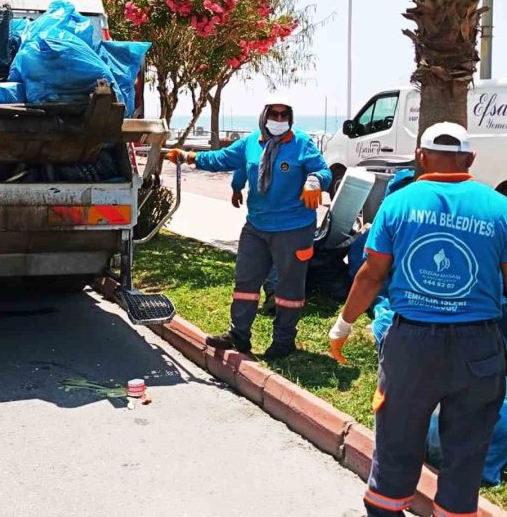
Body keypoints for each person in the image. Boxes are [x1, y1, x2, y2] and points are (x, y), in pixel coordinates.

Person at [329, 122, 507, 517]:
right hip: (477, 349)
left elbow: (371, 275)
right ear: (471, 158)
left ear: (421, 157)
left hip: (411, 347)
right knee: (465, 455)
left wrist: (343, 325)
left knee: (396, 443)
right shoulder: (500, 208)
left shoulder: (398, 203)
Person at [166, 94, 331, 359]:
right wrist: (187, 157)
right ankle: (239, 335)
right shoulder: (252, 142)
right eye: (274, 114)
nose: (279, 119)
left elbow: (324, 171)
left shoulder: (301, 142)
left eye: (284, 115)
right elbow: (223, 159)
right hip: (257, 226)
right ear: (264, 116)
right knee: (246, 280)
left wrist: (314, 181)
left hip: (293, 228)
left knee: (288, 288)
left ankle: (284, 340)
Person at [232, 167, 279, 315]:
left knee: (261, 256)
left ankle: (272, 294)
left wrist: (236, 188)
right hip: (286, 216)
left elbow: (241, 166)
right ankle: (274, 294)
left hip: (265, 215)